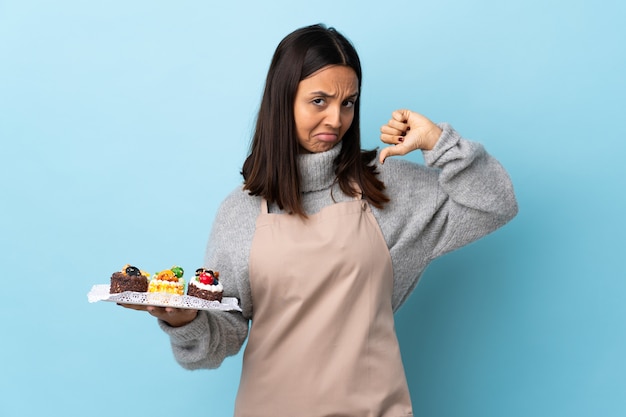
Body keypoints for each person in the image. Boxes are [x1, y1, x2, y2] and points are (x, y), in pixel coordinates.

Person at [123, 23, 518, 416]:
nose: (336, 119)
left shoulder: (388, 187)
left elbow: (496, 202)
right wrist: (186, 318)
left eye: (348, 103)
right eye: (319, 101)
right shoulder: (240, 210)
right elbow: (216, 342)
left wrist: (437, 141)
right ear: (283, 101)